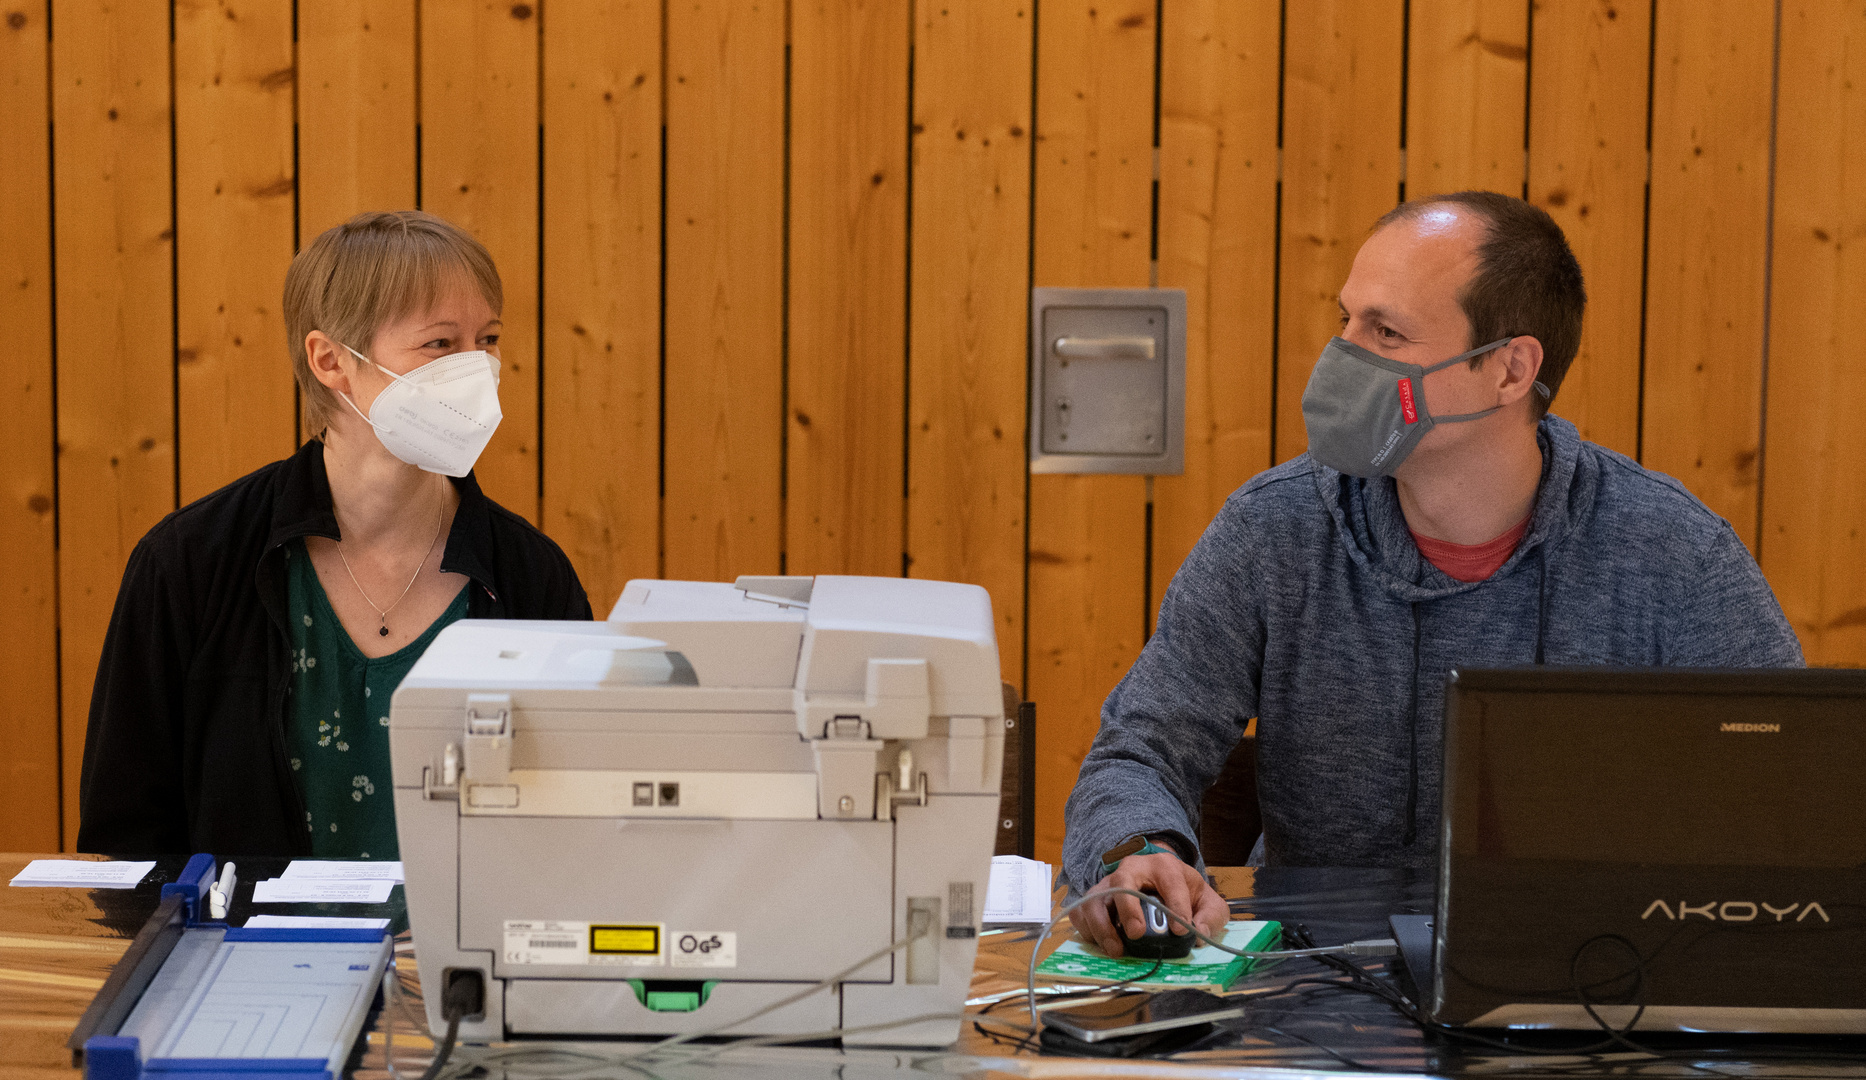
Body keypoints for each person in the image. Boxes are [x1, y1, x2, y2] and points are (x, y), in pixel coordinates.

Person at [1061, 191, 1803, 957]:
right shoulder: (1273, 529)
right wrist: (1133, 850)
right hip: (1312, 989)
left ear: (1511, 369)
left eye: (1386, 331)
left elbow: (1797, 783)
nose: (1342, 356)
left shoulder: (1674, 554)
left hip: (1585, 986)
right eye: (1345, 320)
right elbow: (1140, 746)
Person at [78, 210, 592, 858]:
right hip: (238, 956)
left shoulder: (530, 573)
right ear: (330, 361)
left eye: (487, 339)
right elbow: (124, 839)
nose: (477, 369)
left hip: (461, 961)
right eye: (439, 345)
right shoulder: (188, 562)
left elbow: (578, 825)